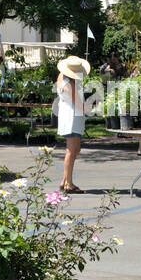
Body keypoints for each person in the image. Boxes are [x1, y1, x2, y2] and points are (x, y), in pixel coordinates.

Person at [55, 55, 89, 193]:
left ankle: (65, 180)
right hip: (71, 118)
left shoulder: (63, 77)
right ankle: (69, 183)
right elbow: (79, 104)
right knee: (71, 150)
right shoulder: (69, 83)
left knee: (76, 149)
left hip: (71, 116)